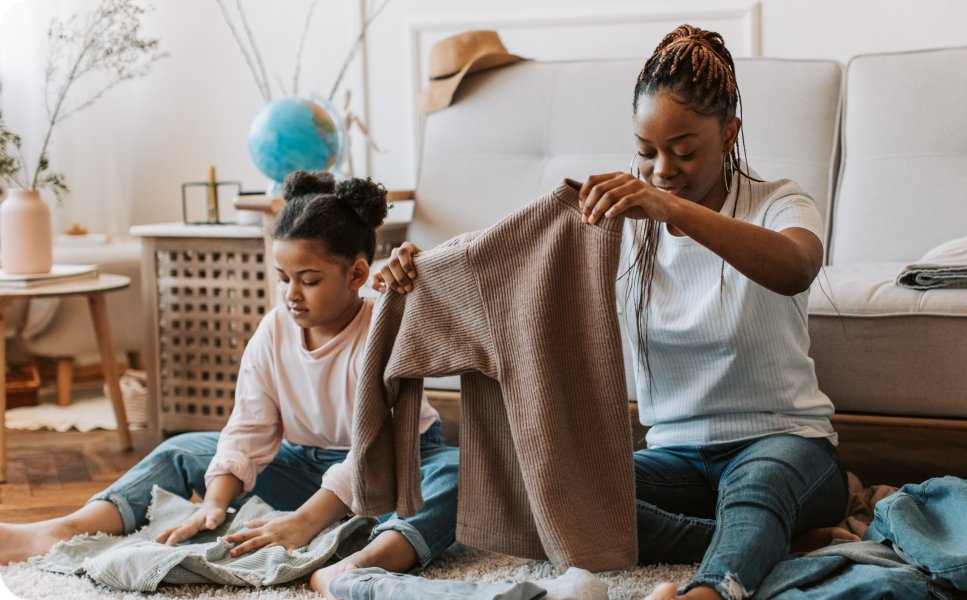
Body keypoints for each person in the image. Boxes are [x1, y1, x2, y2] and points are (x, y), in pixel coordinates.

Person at [375, 25, 850, 600]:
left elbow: (796, 267)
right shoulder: (619, 221)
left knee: (760, 490)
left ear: (730, 134)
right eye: (646, 152)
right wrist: (422, 267)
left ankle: (711, 590)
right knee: (547, 490)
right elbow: (507, 260)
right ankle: (766, 540)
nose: (662, 170)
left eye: (684, 151)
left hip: (786, 444)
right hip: (675, 456)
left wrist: (669, 208)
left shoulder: (779, 202)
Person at [0, 171, 461, 600]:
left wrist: (304, 523)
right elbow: (248, 427)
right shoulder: (274, 330)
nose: (291, 294)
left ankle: (361, 566)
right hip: (305, 466)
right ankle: (69, 527)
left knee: (457, 472)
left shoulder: (384, 324)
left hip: (394, 468)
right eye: (283, 278)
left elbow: (372, 451)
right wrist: (215, 502)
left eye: (309, 280)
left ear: (357, 274)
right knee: (184, 449)